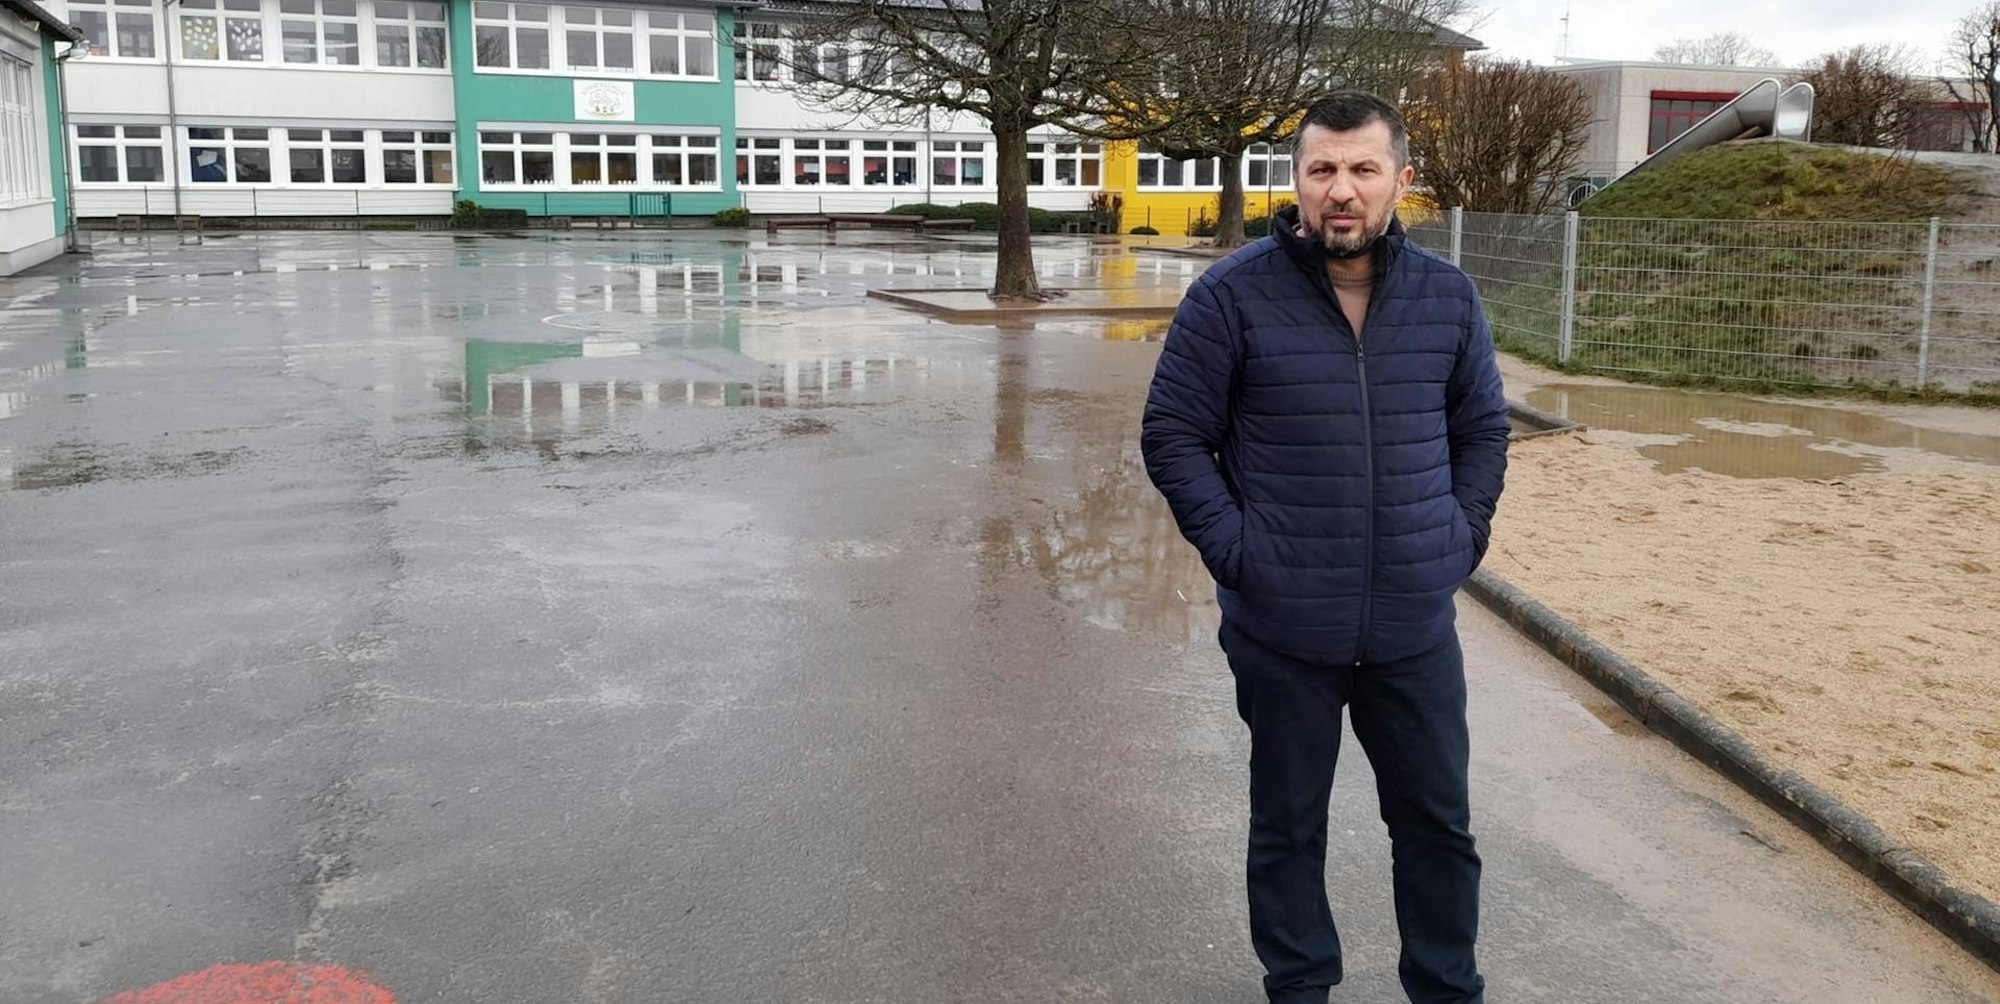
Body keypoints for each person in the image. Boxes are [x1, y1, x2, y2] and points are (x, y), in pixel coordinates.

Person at [1140, 91, 1510, 1004]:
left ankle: (1446, 990)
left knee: (1437, 827)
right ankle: (1301, 987)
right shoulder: (1231, 296)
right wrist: (1243, 555)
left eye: (1363, 169)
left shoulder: (1448, 299)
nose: (1341, 190)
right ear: (1297, 180)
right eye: (1322, 169)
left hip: (1413, 628)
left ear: (1401, 181)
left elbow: (1482, 430)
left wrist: (1457, 539)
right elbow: (1174, 435)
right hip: (1283, 628)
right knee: (1288, 829)